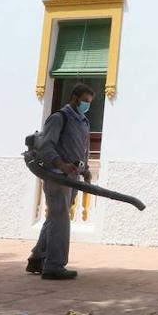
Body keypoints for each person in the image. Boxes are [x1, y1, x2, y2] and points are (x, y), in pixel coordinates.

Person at [27, 82, 94, 280]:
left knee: (56, 217)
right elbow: (47, 147)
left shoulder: (83, 121)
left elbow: (83, 149)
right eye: (84, 101)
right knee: (61, 220)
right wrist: (62, 165)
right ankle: (54, 265)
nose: (86, 105)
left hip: (73, 178)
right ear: (74, 98)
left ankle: (37, 258)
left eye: (89, 103)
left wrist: (86, 170)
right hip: (57, 176)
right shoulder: (58, 118)